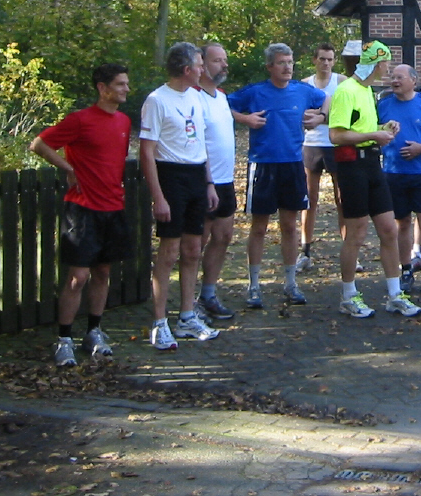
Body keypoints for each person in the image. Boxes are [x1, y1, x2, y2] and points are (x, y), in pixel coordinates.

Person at [30, 63, 133, 367]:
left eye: (126, 83)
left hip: (113, 207)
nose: (126, 89)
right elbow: (39, 144)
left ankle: (93, 332)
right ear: (102, 88)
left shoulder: (124, 121)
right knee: (78, 276)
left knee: (103, 272)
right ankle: (64, 339)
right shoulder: (80, 120)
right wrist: (68, 168)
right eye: (120, 84)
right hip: (83, 208)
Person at [226, 43, 328, 309]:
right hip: (262, 165)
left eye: (290, 62)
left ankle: (290, 283)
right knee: (259, 227)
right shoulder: (255, 92)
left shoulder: (302, 90)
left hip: (293, 164)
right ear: (270, 66)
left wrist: (321, 117)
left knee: (290, 226)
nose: (287, 67)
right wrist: (245, 119)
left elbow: (328, 99)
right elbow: (221, 105)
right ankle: (254, 286)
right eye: (281, 62)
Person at [328, 41, 421, 319]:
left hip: (372, 164)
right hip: (351, 166)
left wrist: (383, 129)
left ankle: (395, 294)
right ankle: (348, 296)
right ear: (375, 63)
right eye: (385, 63)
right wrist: (373, 135)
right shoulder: (346, 90)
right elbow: (336, 135)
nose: (387, 69)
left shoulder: (367, 91)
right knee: (356, 233)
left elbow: (362, 128)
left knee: (389, 229)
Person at [139, 42, 221, 349]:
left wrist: (209, 183)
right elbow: (146, 152)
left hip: (196, 176)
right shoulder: (157, 100)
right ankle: (159, 323)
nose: (203, 70)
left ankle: (187, 316)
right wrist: (158, 197)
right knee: (169, 252)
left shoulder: (196, 97)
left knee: (192, 249)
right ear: (186, 69)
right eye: (199, 65)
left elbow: (201, 142)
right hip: (171, 177)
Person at [377, 64, 421, 296]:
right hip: (393, 172)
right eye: (392, 77)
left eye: (400, 77)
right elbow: (371, 132)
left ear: (413, 81)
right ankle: (406, 270)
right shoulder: (383, 105)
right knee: (402, 223)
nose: (395, 81)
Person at [195, 43, 236, 321]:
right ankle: (188, 303)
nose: (224, 65)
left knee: (223, 237)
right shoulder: (193, 98)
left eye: (225, 60)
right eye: (217, 60)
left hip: (226, 180)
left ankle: (208, 295)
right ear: (202, 64)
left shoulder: (221, 97)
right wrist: (208, 181)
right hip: (203, 182)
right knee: (195, 245)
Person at [300, 42, 346, 271]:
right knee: (309, 199)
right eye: (322, 59)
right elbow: (301, 115)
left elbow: (346, 114)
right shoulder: (304, 85)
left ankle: (349, 251)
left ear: (334, 61)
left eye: (330, 59)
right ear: (314, 60)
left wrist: (320, 116)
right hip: (311, 144)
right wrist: (314, 116)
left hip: (336, 144)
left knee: (342, 199)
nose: (326, 63)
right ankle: (305, 251)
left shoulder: (342, 82)